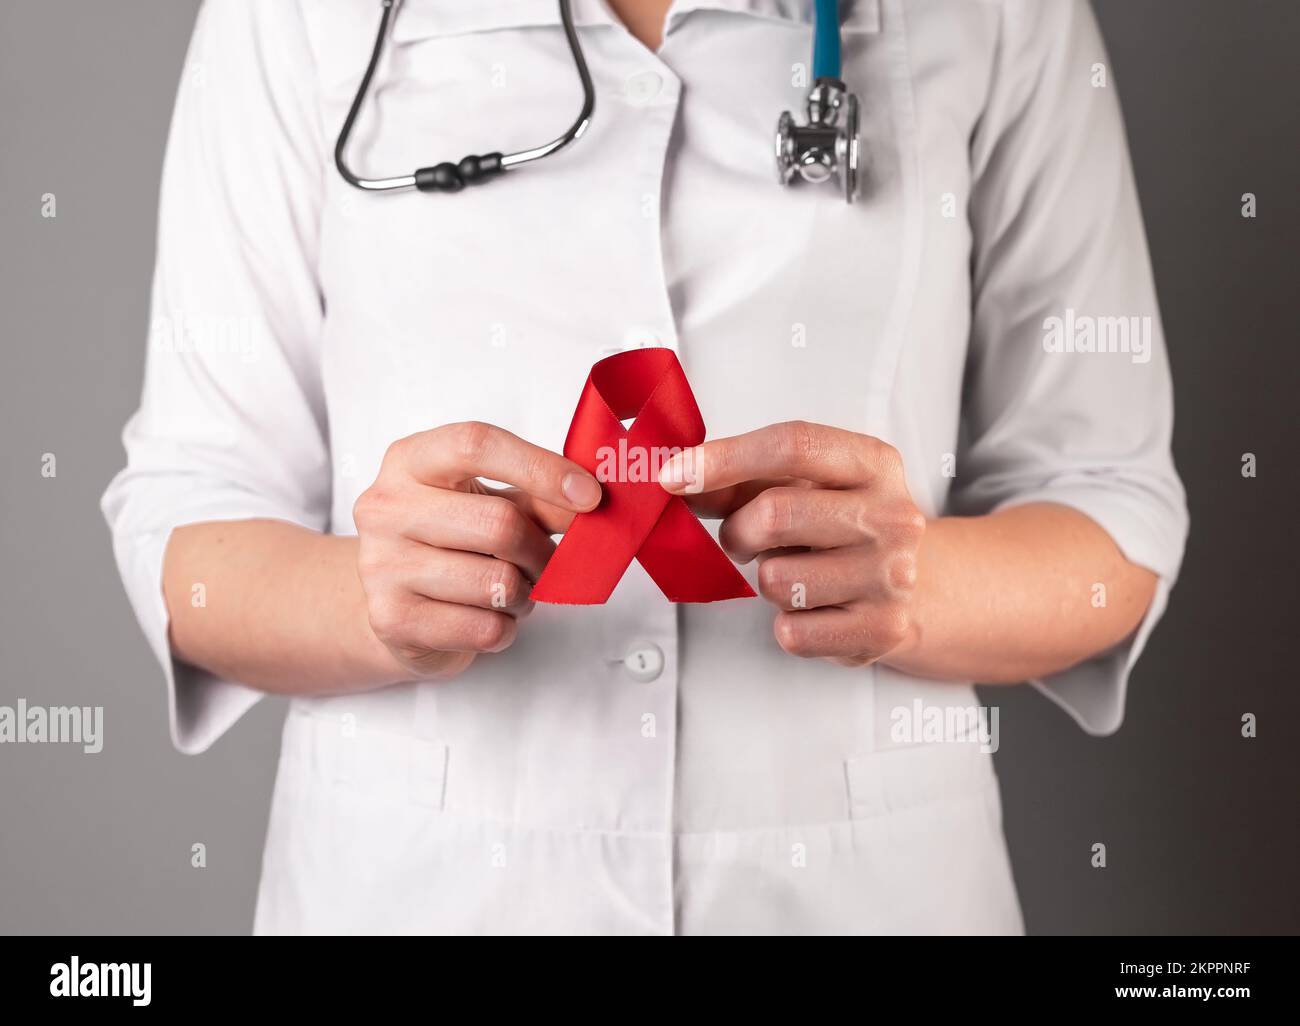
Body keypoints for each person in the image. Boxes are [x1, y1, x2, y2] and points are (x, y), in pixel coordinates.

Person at [102, 0, 1187, 934]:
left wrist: (923, 584)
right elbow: (190, 516)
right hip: (415, 893)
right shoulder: (289, 16)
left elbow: (1112, 500)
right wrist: (363, 600)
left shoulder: (996, 16)